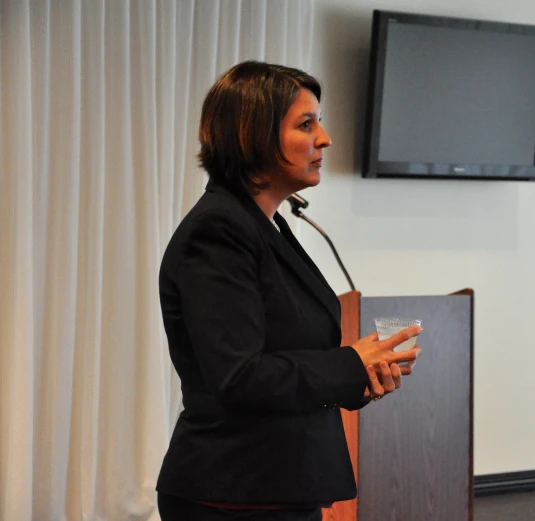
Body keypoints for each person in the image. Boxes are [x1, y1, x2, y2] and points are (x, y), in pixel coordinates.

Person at [155, 60, 422, 521]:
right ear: (252, 133)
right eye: (306, 123)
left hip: (278, 486)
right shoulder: (219, 229)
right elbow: (240, 377)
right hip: (233, 491)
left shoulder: (268, 224)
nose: (325, 138)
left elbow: (295, 354)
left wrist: (364, 376)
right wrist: (351, 362)